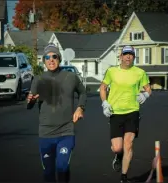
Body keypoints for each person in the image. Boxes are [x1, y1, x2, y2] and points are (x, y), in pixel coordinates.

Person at [27, 43, 87, 183]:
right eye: (47, 57)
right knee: (48, 172)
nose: (51, 60)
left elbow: (83, 92)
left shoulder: (71, 77)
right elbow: (29, 105)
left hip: (66, 132)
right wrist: (30, 101)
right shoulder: (38, 79)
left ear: (59, 58)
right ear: (44, 61)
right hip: (45, 134)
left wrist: (80, 108)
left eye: (54, 56)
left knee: (62, 167)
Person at [99, 45, 152, 183]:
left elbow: (148, 88)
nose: (128, 56)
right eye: (126, 54)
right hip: (115, 112)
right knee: (118, 147)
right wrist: (105, 103)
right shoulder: (112, 71)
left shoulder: (140, 73)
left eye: (131, 54)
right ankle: (118, 155)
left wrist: (145, 95)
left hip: (132, 112)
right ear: (121, 56)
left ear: (134, 57)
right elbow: (103, 87)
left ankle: (124, 176)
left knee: (128, 144)